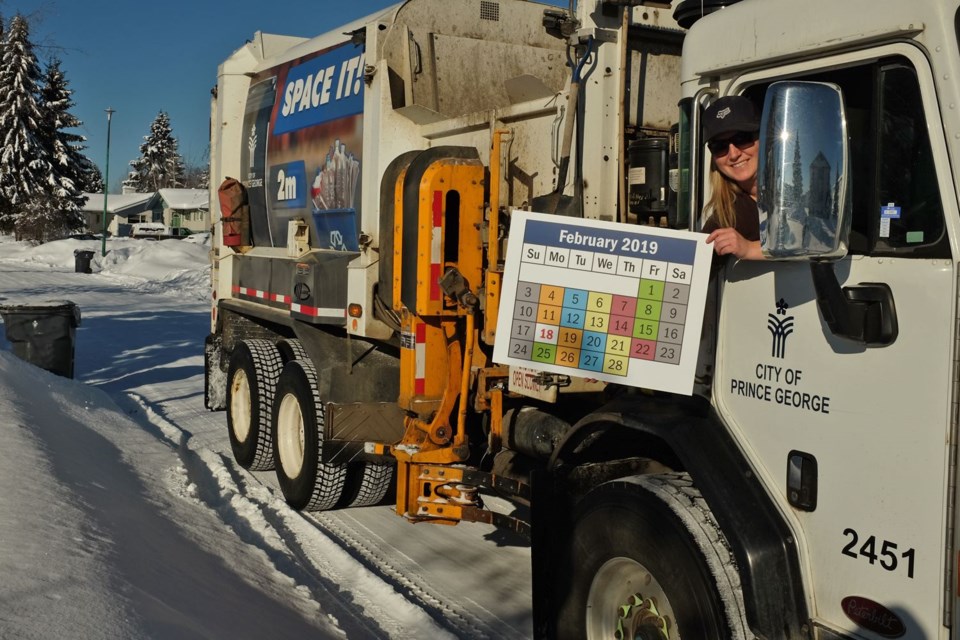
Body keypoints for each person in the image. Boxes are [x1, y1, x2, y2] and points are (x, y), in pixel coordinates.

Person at [701, 95, 764, 260]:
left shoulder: (803, 187)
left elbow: (821, 243)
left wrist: (750, 249)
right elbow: (691, 267)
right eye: (719, 146)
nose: (734, 154)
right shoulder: (730, 214)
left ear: (764, 138)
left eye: (741, 139)